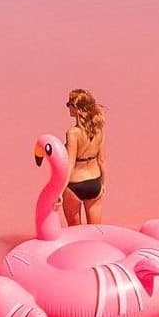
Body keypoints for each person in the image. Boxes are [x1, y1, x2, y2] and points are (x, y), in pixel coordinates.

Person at [58, 88, 106, 225]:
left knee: (75, 232)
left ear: (77, 108)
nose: (68, 107)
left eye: (69, 104)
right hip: (95, 183)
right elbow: (102, 160)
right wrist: (103, 184)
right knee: (95, 231)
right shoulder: (99, 130)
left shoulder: (73, 133)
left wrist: (59, 191)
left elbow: (70, 163)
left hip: (75, 185)